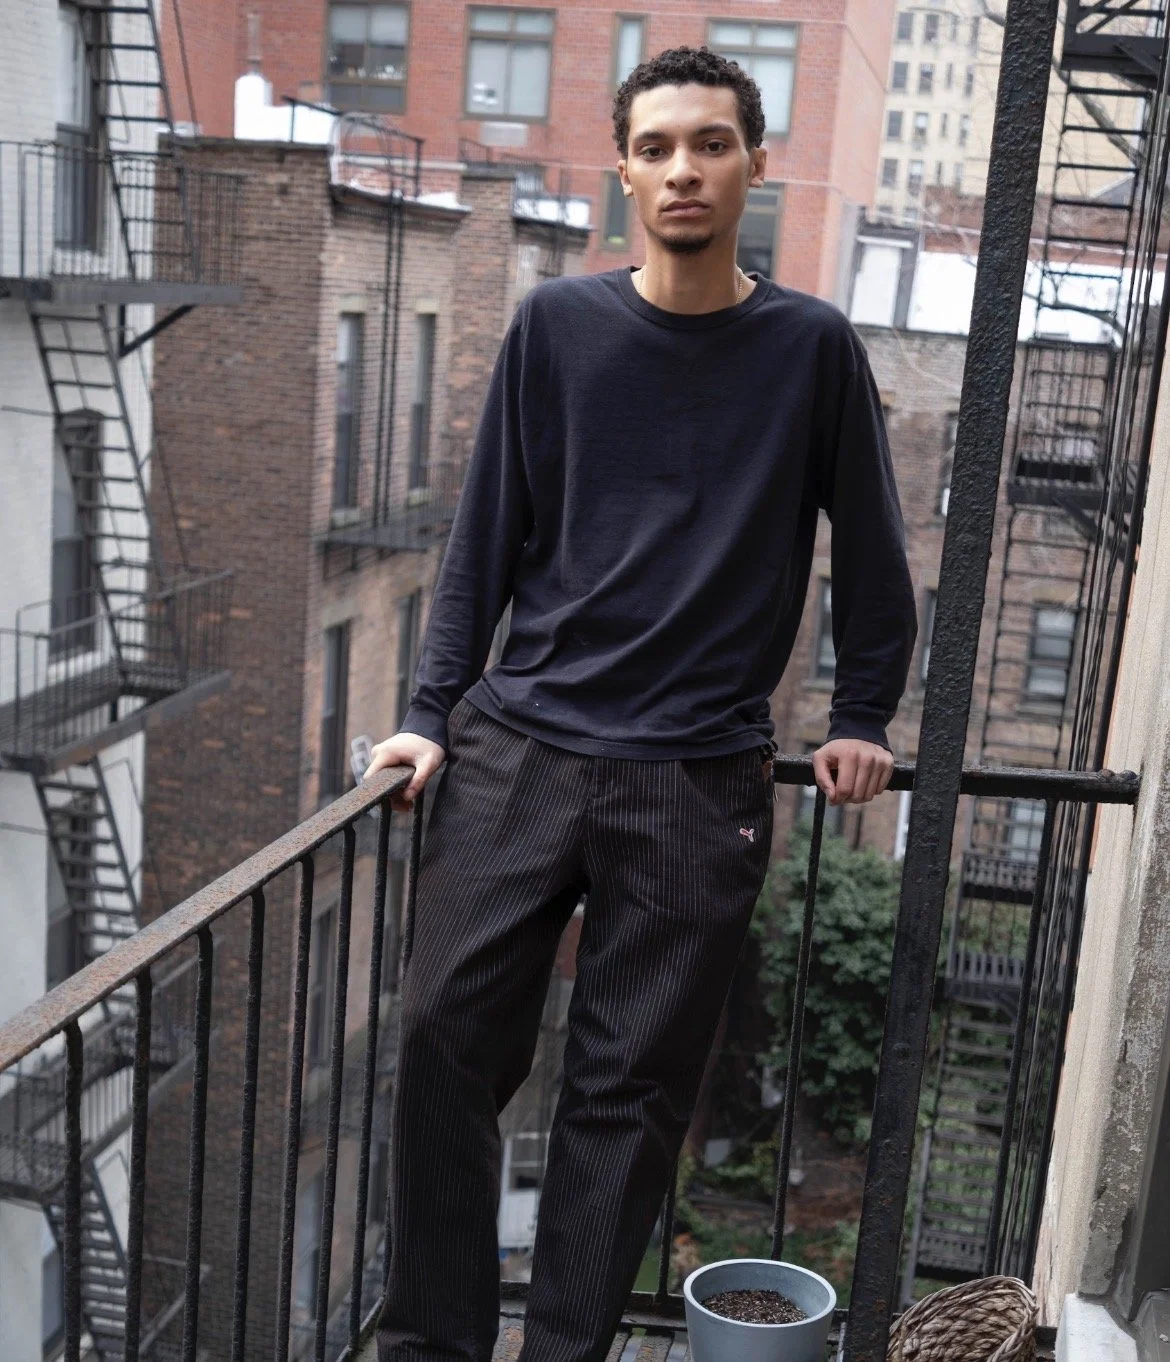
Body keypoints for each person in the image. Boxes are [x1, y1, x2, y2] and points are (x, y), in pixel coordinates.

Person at [368, 45, 916, 1362]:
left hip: (694, 780)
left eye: (711, 143)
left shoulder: (810, 349)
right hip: (520, 748)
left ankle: (563, 1351)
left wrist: (860, 713)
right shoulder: (557, 326)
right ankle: (433, 1345)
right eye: (658, 145)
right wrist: (431, 715)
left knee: (627, 1094)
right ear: (623, 168)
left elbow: (876, 552)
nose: (684, 168)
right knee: (443, 1036)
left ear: (753, 163)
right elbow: (484, 536)